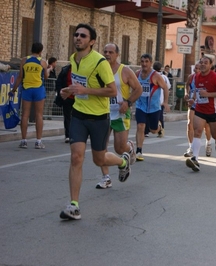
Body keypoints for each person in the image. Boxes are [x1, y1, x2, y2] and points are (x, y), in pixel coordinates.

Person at [58, 23, 131, 220]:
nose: (78, 38)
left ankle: (123, 161)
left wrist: (85, 91)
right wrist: (69, 90)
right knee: (76, 157)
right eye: (76, 34)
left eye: (82, 36)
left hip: (99, 118)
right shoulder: (74, 59)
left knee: (99, 159)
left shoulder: (100, 62)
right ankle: (74, 205)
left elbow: (112, 91)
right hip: (79, 115)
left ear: (91, 41)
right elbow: (80, 84)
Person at [96, 43, 143, 189]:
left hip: (120, 112)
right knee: (101, 148)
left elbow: (138, 89)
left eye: (111, 52)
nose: (107, 54)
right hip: (103, 112)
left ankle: (129, 148)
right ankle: (106, 178)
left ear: (117, 54)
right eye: (105, 52)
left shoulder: (125, 71)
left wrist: (128, 102)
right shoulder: (99, 69)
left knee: (119, 148)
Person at [185, 56, 216, 172]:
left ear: (210, 65)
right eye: (201, 62)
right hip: (200, 108)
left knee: (214, 135)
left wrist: (208, 94)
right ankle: (195, 159)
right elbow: (197, 90)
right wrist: (193, 99)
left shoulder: (215, 77)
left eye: (205, 63)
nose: (202, 64)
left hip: (213, 110)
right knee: (197, 131)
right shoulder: (197, 77)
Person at [9, 42, 49, 149]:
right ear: (41, 51)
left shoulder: (24, 60)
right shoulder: (42, 62)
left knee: (25, 115)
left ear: (31, 50)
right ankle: (38, 141)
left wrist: (13, 90)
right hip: (38, 89)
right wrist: (47, 70)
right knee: (39, 115)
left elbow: (20, 76)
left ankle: (23, 141)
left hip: (26, 89)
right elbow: (46, 77)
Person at [135, 54, 170, 161]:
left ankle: (159, 127)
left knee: (153, 130)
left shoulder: (156, 76)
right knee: (140, 126)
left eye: (146, 61)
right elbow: (133, 87)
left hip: (154, 107)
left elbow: (165, 88)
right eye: (142, 61)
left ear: (150, 63)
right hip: (140, 106)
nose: (144, 64)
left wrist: (165, 102)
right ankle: (139, 151)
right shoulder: (137, 74)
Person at [183, 62, 213, 158]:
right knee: (189, 124)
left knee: (206, 127)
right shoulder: (191, 77)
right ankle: (191, 147)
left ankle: (208, 143)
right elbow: (187, 85)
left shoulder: (208, 79)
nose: (196, 70)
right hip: (193, 103)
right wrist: (186, 93)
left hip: (204, 104)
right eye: (195, 68)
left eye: (198, 68)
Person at [55, 64, 74, 143]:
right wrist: (61, 92)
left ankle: (76, 134)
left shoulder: (83, 70)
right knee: (67, 116)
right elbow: (59, 82)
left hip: (78, 98)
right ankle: (68, 135)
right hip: (67, 97)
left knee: (77, 117)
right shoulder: (66, 70)